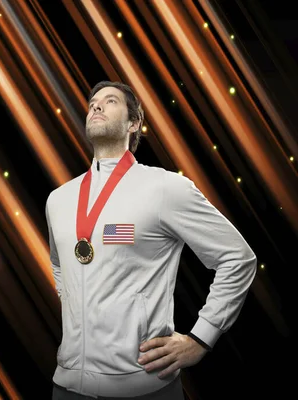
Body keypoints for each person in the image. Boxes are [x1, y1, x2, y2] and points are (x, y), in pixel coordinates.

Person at [46, 80, 257, 399]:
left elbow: (238, 258)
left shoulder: (165, 189)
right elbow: (60, 265)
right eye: (92, 103)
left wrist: (201, 338)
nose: (97, 106)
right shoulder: (58, 200)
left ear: (134, 123)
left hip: (145, 388)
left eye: (110, 101)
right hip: (67, 386)